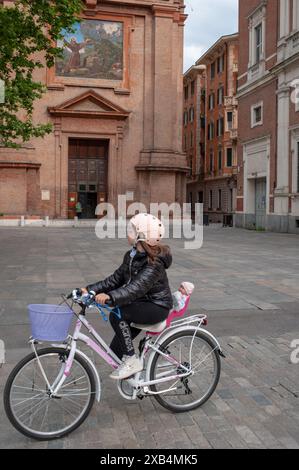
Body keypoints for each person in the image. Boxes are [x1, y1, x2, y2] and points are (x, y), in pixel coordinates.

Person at [81, 213, 173, 380]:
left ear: (141, 235)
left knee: (117, 314)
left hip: (156, 306)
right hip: (140, 305)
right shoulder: (131, 256)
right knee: (115, 350)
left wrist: (109, 297)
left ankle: (132, 361)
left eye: (132, 229)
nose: (127, 232)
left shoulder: (154, 264)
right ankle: (136, 381)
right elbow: (115, 279)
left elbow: (134, 289)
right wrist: (88, 290)